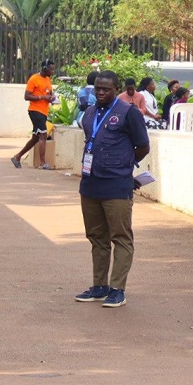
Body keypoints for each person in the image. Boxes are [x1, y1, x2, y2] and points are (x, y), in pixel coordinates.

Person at [74, 71, 150, 309]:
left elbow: (143, 146)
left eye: (106, 89)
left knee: (121, 237)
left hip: (117, 186)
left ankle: (118, 289)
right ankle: (99, 286)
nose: (100, 93)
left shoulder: (129, 113)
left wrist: (124, 165)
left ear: (116, 89)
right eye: (97, 88)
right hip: (90, 185)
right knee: (97, 238)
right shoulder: (89, 112)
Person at [11, 59, 55, 170]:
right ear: (44, 68)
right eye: (50, 69)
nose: (52, 71)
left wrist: (51, 98)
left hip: (43, 111)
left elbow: (48, 93)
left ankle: (17, 157)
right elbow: (27, 96)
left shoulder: (48, 79)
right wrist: (42, 97)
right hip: (35, 111)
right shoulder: (34, 79)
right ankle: (42, 163)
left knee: (36, 138)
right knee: (43, 135)